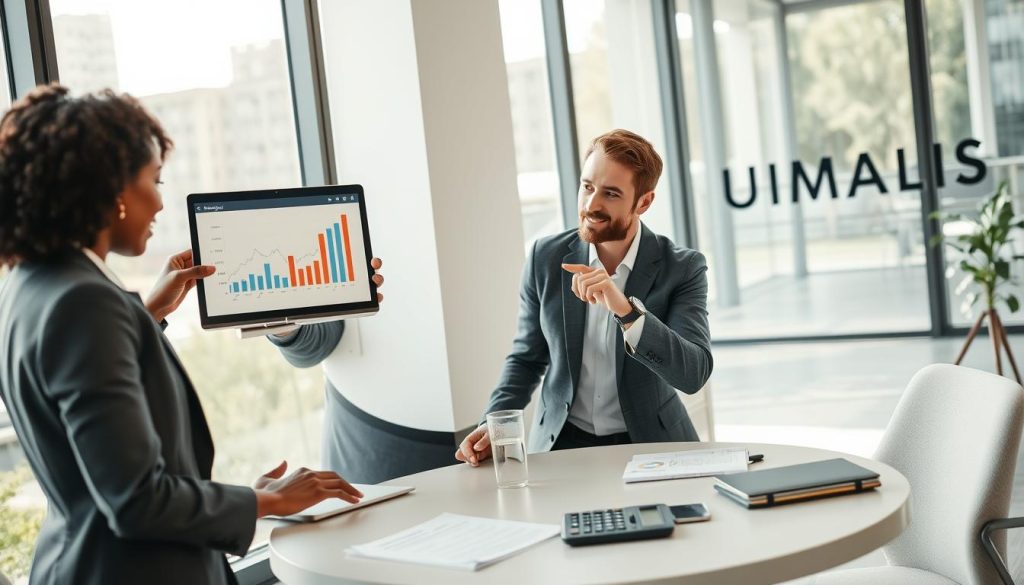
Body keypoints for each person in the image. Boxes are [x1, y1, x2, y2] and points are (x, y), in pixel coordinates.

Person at [0, 84, 364, 585]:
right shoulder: (84, 303)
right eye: (153, 180)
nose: (160, 205)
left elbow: (92, 446)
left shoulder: (31, 283)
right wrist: (270, 500)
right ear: (112, 191)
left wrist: (148, 312)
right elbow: (136, 500)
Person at [456, 129, 713, 465]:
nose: (591, 205)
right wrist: (494, 423)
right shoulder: (544, 258)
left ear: (644, 202)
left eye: (610, 194)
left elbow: (692, 374)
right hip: (562, 443)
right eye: (587, 187)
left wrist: (625, 310)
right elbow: (526, 359)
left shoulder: (682, 267)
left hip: (651, 443)